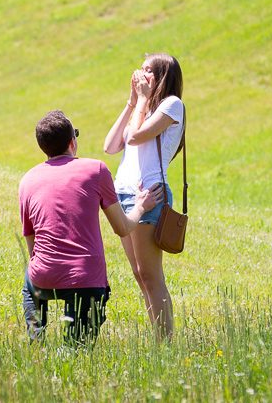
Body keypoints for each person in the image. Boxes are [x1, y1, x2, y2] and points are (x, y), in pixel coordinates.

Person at [19, 110, 162, 345]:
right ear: (72, 142)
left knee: (29, 281)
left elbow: (33, 249)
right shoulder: (95, 170)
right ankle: (73, 344)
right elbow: (123, 228)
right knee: (76, 353)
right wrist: (141, 206)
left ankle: (36, 341)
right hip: (86, 281)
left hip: (43, 277)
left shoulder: (27, 180)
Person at [103, 53, 185, 338]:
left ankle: (165, 343)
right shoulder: (141, 108)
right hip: (124, 194)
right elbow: (111, 145)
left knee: (151, 275)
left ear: (162, 76)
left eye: (148, 70)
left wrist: (141, 102)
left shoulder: (172, 106)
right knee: (139, 273)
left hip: (150, 195)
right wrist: (131, 102)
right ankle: (159, 337)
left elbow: (136, 136)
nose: (141, 74)